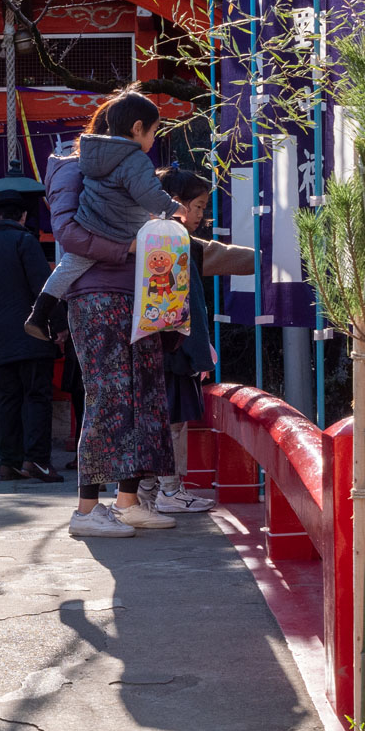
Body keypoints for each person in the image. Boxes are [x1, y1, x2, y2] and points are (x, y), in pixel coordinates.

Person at [44, 85, 178, 537]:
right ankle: (85, 511)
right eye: (152, 132)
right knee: (109, 395)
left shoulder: (123, 165)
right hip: (98, 291)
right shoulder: (71, 164)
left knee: (144, 395)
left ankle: (127, 501)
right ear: (136, 128)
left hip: (141, 293)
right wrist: (124, 251)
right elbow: (67, 233)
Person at [138, 166, 254, 514]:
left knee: (154, 418)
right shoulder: (175, 240)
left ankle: (146, 489)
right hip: (170, 344)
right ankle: (170, 490)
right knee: (172, 421)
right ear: (176, 203)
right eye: (199, 206)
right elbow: (218, 258)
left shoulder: (146, 235)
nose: (203, 216)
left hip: (145, 344)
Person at [25, 87, 180, 341]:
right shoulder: (134, 160)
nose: (154, 139)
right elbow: (148, 197)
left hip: (97, 238)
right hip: (107, 282)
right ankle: (171, 326)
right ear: (136, 128)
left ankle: (39, 314)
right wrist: (171, 210)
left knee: (67, 266)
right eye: (154, 132)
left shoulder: (90, 161)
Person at [0, 191, 64, 483]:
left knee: (7, 400)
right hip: (33, 335)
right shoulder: (26, 242)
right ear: (22, 217)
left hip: (0, 337)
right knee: (36, 397)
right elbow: (44, 287)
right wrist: (59, 324)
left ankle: (8, 462)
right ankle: (37, 460)